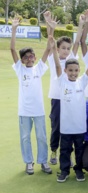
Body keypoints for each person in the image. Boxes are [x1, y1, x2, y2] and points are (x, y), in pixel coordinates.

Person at [50, 35, 88, 182]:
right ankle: (64, 171)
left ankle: (78, 170)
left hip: (79, 126)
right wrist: (53, 49)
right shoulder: (62, 81)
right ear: (65, 71)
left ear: (78, 70)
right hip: (66, 127)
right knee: (65, 150)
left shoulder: (82, 82)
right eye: (70, 70)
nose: (73, 73)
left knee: (79, 150)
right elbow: (57, 65)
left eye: (76, 70)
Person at [10, 16, 52, 175]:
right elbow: (13, 49)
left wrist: (50, 27)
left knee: (41, 137)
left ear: (35, 57)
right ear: (22, 60)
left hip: (39, 111)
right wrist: (14, 29)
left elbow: (48, 49)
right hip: (24, 111)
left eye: (32, 56)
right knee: (25, 138)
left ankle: (43, 161)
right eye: (26, 57)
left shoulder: (38, 69)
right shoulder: (20, 70)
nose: (30, 59)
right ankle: (29, 162)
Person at [43, 11, 84, 166]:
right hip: (57, 98)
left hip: (71, 99)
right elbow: (50, 42)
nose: (66, 51)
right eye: (63, 48)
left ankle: (70, 155)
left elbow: (77, 42)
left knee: (71, 127)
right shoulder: (53, 60)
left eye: (68, 48)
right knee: (56, 126)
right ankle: (54, 150)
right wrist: (50, 26)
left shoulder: (71, 60)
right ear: (58, 49)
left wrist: (80, 24)